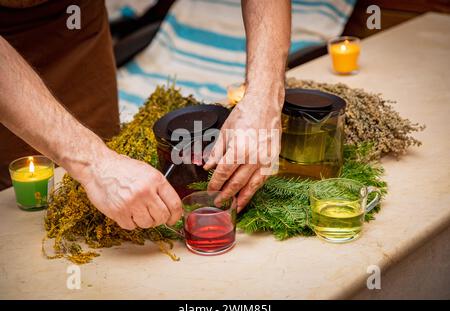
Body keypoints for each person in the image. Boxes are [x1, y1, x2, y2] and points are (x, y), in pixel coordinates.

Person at [0, 0, 291, 229]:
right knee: (21, 213)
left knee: (110, 189)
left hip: (73, 16)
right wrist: (94, 163)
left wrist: (264, 98)